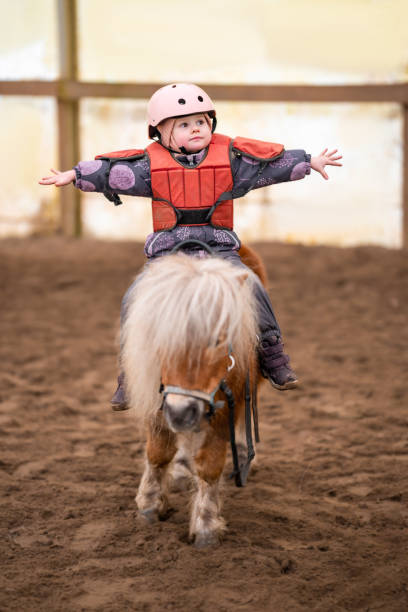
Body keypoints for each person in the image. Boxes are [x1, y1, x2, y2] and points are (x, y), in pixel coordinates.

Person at [39, 83, 342, 410]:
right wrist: (74, 175)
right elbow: (114, 172)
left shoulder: (231, 162)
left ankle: (272, 353)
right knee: (133, 298)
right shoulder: (148, 167)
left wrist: (309, 162)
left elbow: (267, 166)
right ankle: (128, 370)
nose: (195, 128)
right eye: (183, 124)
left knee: (253, 286)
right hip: (168, 255)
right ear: (162, 133)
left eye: (200, 121)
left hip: (220, 250)